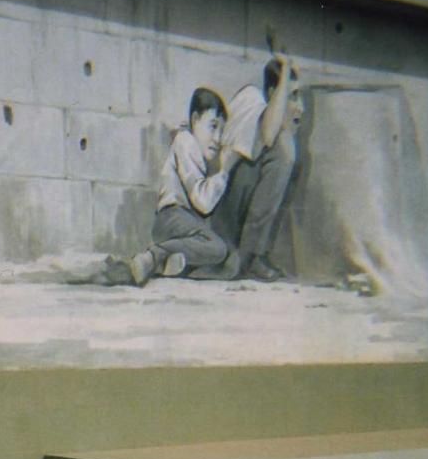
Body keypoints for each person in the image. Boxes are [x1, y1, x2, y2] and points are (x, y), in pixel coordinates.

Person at [119, 87, 240, 286]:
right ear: (194, 120)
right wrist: (224, 170)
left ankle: (174, 265)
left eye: (221, 131)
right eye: (213, 126)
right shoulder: (185, 142)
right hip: (172, 218)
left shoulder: (197, 150)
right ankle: (152, 257)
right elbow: (203, 202)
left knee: (231, 260)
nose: (217, 138)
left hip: (188, 225)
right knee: (217, 248)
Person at [208, 55, 303, 282]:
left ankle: (249, 258)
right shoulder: (252, 101)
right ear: (273, 93)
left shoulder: (257, 103)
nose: (301, 107)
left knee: (282, 149)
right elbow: (269, 135)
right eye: (293, 97)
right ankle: (249, 258)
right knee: (284, 149)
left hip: (224, 218)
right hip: (218, 218)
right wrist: (287, 68)